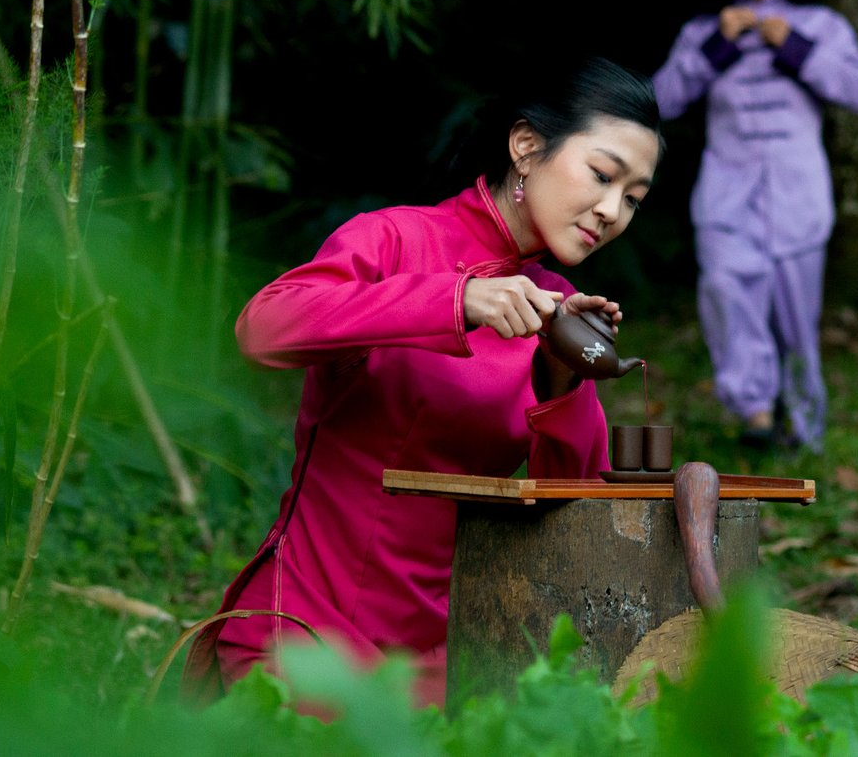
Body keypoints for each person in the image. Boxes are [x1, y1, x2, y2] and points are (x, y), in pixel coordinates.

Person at [181, 57, 665, 709]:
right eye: (603, 175)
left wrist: (561, 380)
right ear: (525, 147)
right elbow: (263, 329)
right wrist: (456, 300)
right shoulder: (394, 240)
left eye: (633, 198)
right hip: (304, 633)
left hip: (442, 660)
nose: (611, 210)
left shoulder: (556, 306)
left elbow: (573, 511)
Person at [650, 0, 858, 454]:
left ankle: (802, 423)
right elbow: (659, 100)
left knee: (798, 316)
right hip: (726, 194)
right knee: (726, 288)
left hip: (798, 195)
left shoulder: (818, 24)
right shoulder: (705, 31)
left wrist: (795, 46)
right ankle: (754, 408)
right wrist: (716, 49)